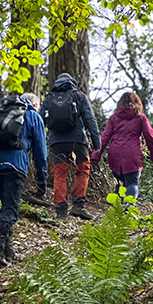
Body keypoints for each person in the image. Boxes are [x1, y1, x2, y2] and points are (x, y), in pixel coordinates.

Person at [0, 93, 47, 268]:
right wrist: (42, 179)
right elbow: (40, 151)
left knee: (6, 206)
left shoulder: (1, 113)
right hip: (15, 165)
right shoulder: (33, 116)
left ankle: (7, 253)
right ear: (35, 103)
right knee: (11, 209)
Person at [40, 73, 101, 220]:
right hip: (78, 141)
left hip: (56, 142)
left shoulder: (49, 98)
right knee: (82, 171)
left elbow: (40, 121)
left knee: (60, 174)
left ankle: (61, 209)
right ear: (72, 83)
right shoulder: (79, 96)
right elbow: (90, 119)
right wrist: (96, 141)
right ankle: (78, 206)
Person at [91, 92, 153, 200]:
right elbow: (149, 136)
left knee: (119, 183)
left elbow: (104, 137)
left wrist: (95, 155)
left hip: (115, 154)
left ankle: (116, 211)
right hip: (132, 154)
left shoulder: (113, 118)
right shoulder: (140, 118)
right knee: (132, 183)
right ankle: (129, 206)